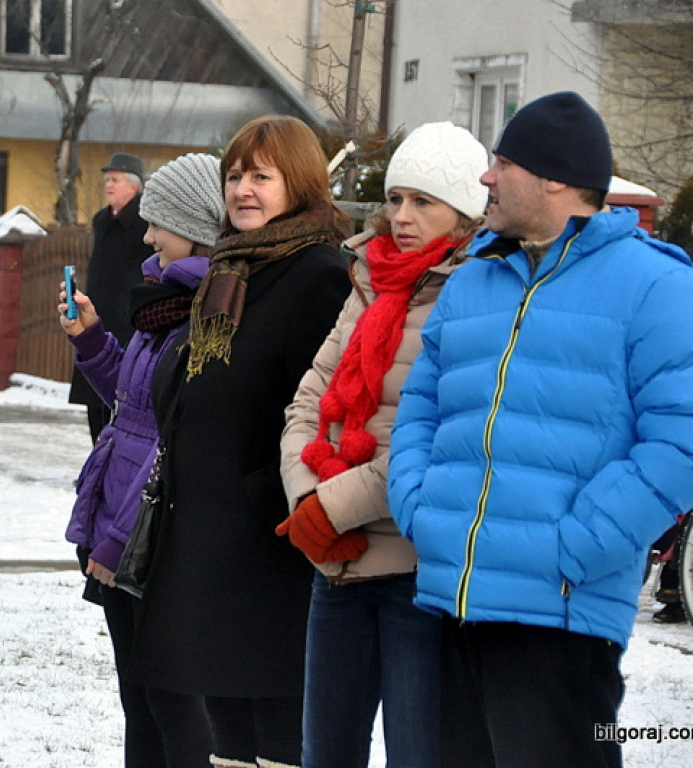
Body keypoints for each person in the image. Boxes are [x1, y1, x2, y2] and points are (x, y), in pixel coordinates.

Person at [388, 91, 693, 768]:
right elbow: (420, 407)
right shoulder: (473, 283)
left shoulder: (655, 286)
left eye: (503, 163)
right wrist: (418, 506)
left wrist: (573, 547)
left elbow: (681, 440)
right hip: (451, 602)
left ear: (555, 178)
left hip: (558, 618)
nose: (487, 179)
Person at [127, 115, 352, 768]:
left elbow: (320, 415)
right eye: (235, 175)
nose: (243, 189)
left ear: (300, 183)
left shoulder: (316, 276)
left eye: (262, 175)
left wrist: (262, 497)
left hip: (266, 549)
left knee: (276, 732)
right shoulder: (230, 273)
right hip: (204, 537)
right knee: (227, 734)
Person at [278, 122, 490, 768]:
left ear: (464, 212)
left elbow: (441, 441)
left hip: (415, 573)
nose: (402, 216)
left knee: (418, 754)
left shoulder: (477, 294)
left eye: (423, 202)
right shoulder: (370, 279)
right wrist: (306, 499)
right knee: (326, 754)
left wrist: (328, 510)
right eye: (396, 198)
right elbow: (308, 401)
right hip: (335, 568)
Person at [60, 152, 223, 767]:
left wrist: (116, 545)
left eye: (160, 224)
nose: (147, 235)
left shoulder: (204, 318)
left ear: (198, 227)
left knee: (172, 705)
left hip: (146, 543)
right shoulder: (164, 305)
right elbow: (133, 409)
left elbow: (170, 444)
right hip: (121, 532)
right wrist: (93, 342)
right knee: (139, 699)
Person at [68, 152, 154, 443]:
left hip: (127, 325)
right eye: (107, 179)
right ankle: (96, 463)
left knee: (119, 406)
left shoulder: (145, 222)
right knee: (94, 402)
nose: (108, 185)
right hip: (97, 320)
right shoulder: (102, 220)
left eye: (115, 179)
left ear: (134, 186)